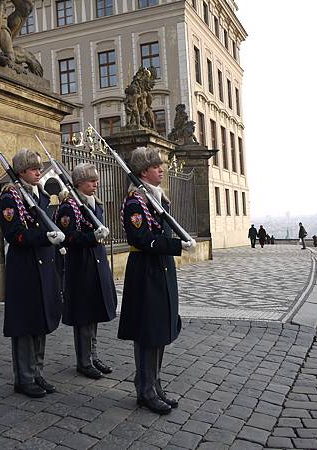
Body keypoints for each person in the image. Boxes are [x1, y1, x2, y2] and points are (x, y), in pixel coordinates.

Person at [118, 146, 196, 415]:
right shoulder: (135, 202)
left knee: (160, 328)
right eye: (155, 166)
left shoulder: (157, 199)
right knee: (148, 332)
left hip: (161, 268)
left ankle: (155, 384)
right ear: (143, 172)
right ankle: (145, 389)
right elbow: (141, 239)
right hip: (146, 270)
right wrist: (176, 245)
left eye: (161, 165)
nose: (161, 169)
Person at [0, 149, 65, 398]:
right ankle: (24, 378)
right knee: (25, 325)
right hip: (24, 268)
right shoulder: (10, 198)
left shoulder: (41, 196)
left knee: (41, 321)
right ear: (21, 171)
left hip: (44, 267)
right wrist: (44, 237)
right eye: (34, 168)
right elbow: (14, 234)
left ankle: (37, 372)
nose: (39, 172)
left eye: (39, 168)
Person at [55, 163, 118, 379]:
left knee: (94, 312)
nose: (96, 184)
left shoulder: (93, 203)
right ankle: (83, 360)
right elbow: (69, 237)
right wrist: (93, 237)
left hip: (97, 263)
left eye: (96, 180)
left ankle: (93, 354)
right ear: (79, 183)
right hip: (81, 265)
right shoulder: (68, 207)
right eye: (92, 181)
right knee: (84, 315)